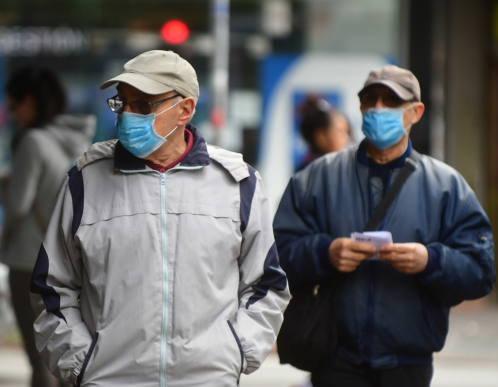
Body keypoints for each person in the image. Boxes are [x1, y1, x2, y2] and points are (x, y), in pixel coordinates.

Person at [29, 50, 290, 387]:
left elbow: (266, 284)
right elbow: (51, 286)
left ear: (185, 110)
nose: (127, 116)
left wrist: (237, 352)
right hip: (109, 380)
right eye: (122, 103)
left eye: (143, 105)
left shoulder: (238, 183)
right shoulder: (85, 181)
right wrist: (82, 362)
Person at [273, 65, 495, 387]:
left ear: (415, 112)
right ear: (360, 107)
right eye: (371, 99)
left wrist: (430, 261)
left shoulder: (447, 187)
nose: (379, 109)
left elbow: (480, 273)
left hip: (408, 364)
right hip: (335, 358)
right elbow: (276, 254)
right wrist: (325, 252)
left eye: (391, 102)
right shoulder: (316, 179)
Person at [0, 66, 95, 387]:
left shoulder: (33, 142)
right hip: (67, 263)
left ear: (29, 101)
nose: (13, 114)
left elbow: (18, 204)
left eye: (13, 106)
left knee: (38, 355)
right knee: (63, 351)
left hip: (29, 263)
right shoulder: (74, 143)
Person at [297, 96, 350, 171]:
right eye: (340, 131)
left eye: (347, 132)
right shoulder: (309, 173)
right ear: (321, 137)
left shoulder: (342, 168)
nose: (346, 138)